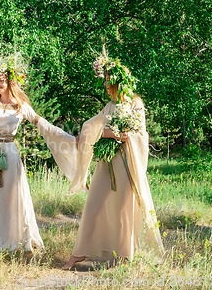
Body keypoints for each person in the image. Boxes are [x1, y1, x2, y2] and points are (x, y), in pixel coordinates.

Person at [0, 53, 77, 252]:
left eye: (1, 80)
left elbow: (45, 126)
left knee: (11, 201)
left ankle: (7, 243)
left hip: (10, 156)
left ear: (10, 81)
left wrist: (71, 139)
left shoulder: (21, 107)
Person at [62, 50, 164, 270]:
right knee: (93, 204)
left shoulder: (136, 105)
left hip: (127, 163)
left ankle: (124, 255)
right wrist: (83, 137)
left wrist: (122, 136)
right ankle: (79, 253)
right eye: (106, 82)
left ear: (121, 82)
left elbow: (141, 135)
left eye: (110, 82)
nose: (107, 86)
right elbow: (93, 126)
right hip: (106, 163)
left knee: (123, 209)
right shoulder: (109, 107)